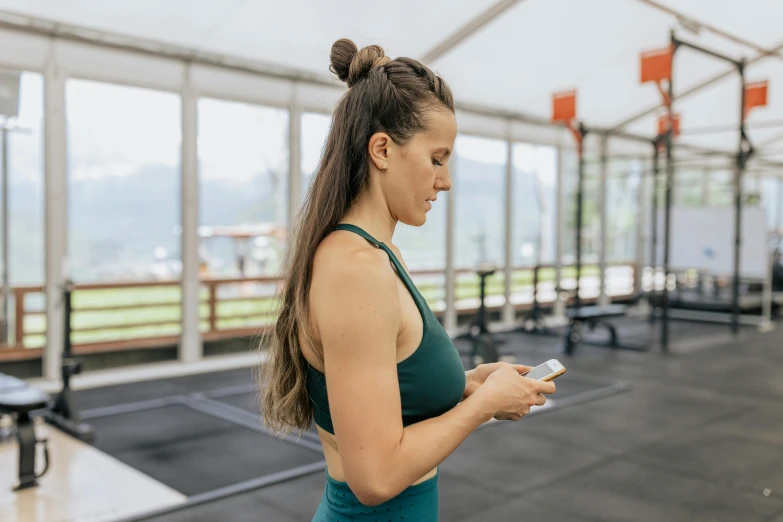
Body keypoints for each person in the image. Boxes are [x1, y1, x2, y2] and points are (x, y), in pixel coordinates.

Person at [260, 38, 556, 521]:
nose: (446, 180)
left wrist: (468, 385)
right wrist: (481, 408)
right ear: (381, 149)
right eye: (437, 159)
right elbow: (375, 477)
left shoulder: (376, 253)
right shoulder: (356, 270)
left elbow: (387, 385)